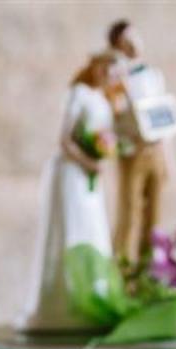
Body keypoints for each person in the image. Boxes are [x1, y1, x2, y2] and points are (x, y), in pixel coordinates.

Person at [20, 49, 123, 332]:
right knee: (71, 228)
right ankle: (62, 303)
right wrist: (88, 161)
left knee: (92, 229)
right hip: (72, 172)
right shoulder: (79, 93)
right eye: (105, 69)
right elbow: (64, 140)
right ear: (95, 67)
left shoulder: (105, 99)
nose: (109, 76)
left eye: (113, 72)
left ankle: (92, 295)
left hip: (90, 175)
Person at [105, 19, 176, 270]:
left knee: (154, 216)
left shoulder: (153, 75)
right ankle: (123, 272)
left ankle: (150, 273)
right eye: (128, 40)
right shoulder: (116, 78)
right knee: (130, 213)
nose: (134, 44)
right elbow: (114, 113)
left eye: (136, 37)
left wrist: (169, 158)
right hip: (133, 150)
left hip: (155, 148)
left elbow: (164, 116)